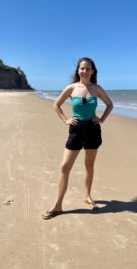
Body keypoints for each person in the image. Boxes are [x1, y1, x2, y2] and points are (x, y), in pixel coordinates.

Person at [42, 57, 113, 220]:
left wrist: (101, 119)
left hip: (93, 130)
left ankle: (87, 196)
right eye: (82, 68)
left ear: (93, 71)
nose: (85, 71)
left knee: (89, 165)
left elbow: (110, 104)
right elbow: (56, 104)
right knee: (65, 167)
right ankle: (58, 205)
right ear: (78, 70)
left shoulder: (97, 88)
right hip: (76, 129)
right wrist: (65, 119)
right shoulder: (71, 88)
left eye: (88, 69)